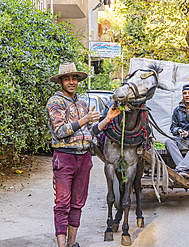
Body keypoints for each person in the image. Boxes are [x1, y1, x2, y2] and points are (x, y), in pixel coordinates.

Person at [47, 62, 120, 247]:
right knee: (62, 203)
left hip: (84, 158)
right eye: (67, 79)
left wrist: (107, 119)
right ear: (60, 81)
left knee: (78, 202)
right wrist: (84, 120)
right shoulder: (55, 102)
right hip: (64, 157)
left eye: (74, 78)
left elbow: (90, 131)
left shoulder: (82, 103)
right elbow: (60, 131)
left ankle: (72, 244)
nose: (71, 82)